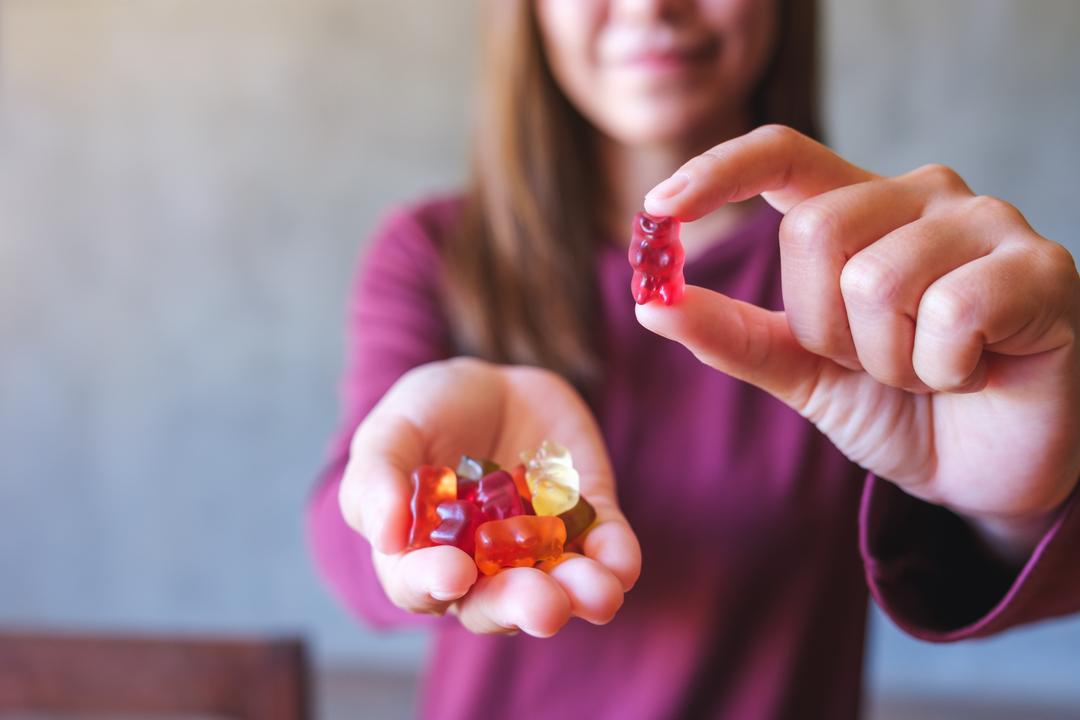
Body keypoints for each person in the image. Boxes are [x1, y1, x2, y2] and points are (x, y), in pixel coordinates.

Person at [307, 1, 1080, 718]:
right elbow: (345, 540)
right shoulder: (433, 254)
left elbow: (966, 571)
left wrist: (1015, 509)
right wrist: (401, 510)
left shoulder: (879, 281)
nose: (651, 7)